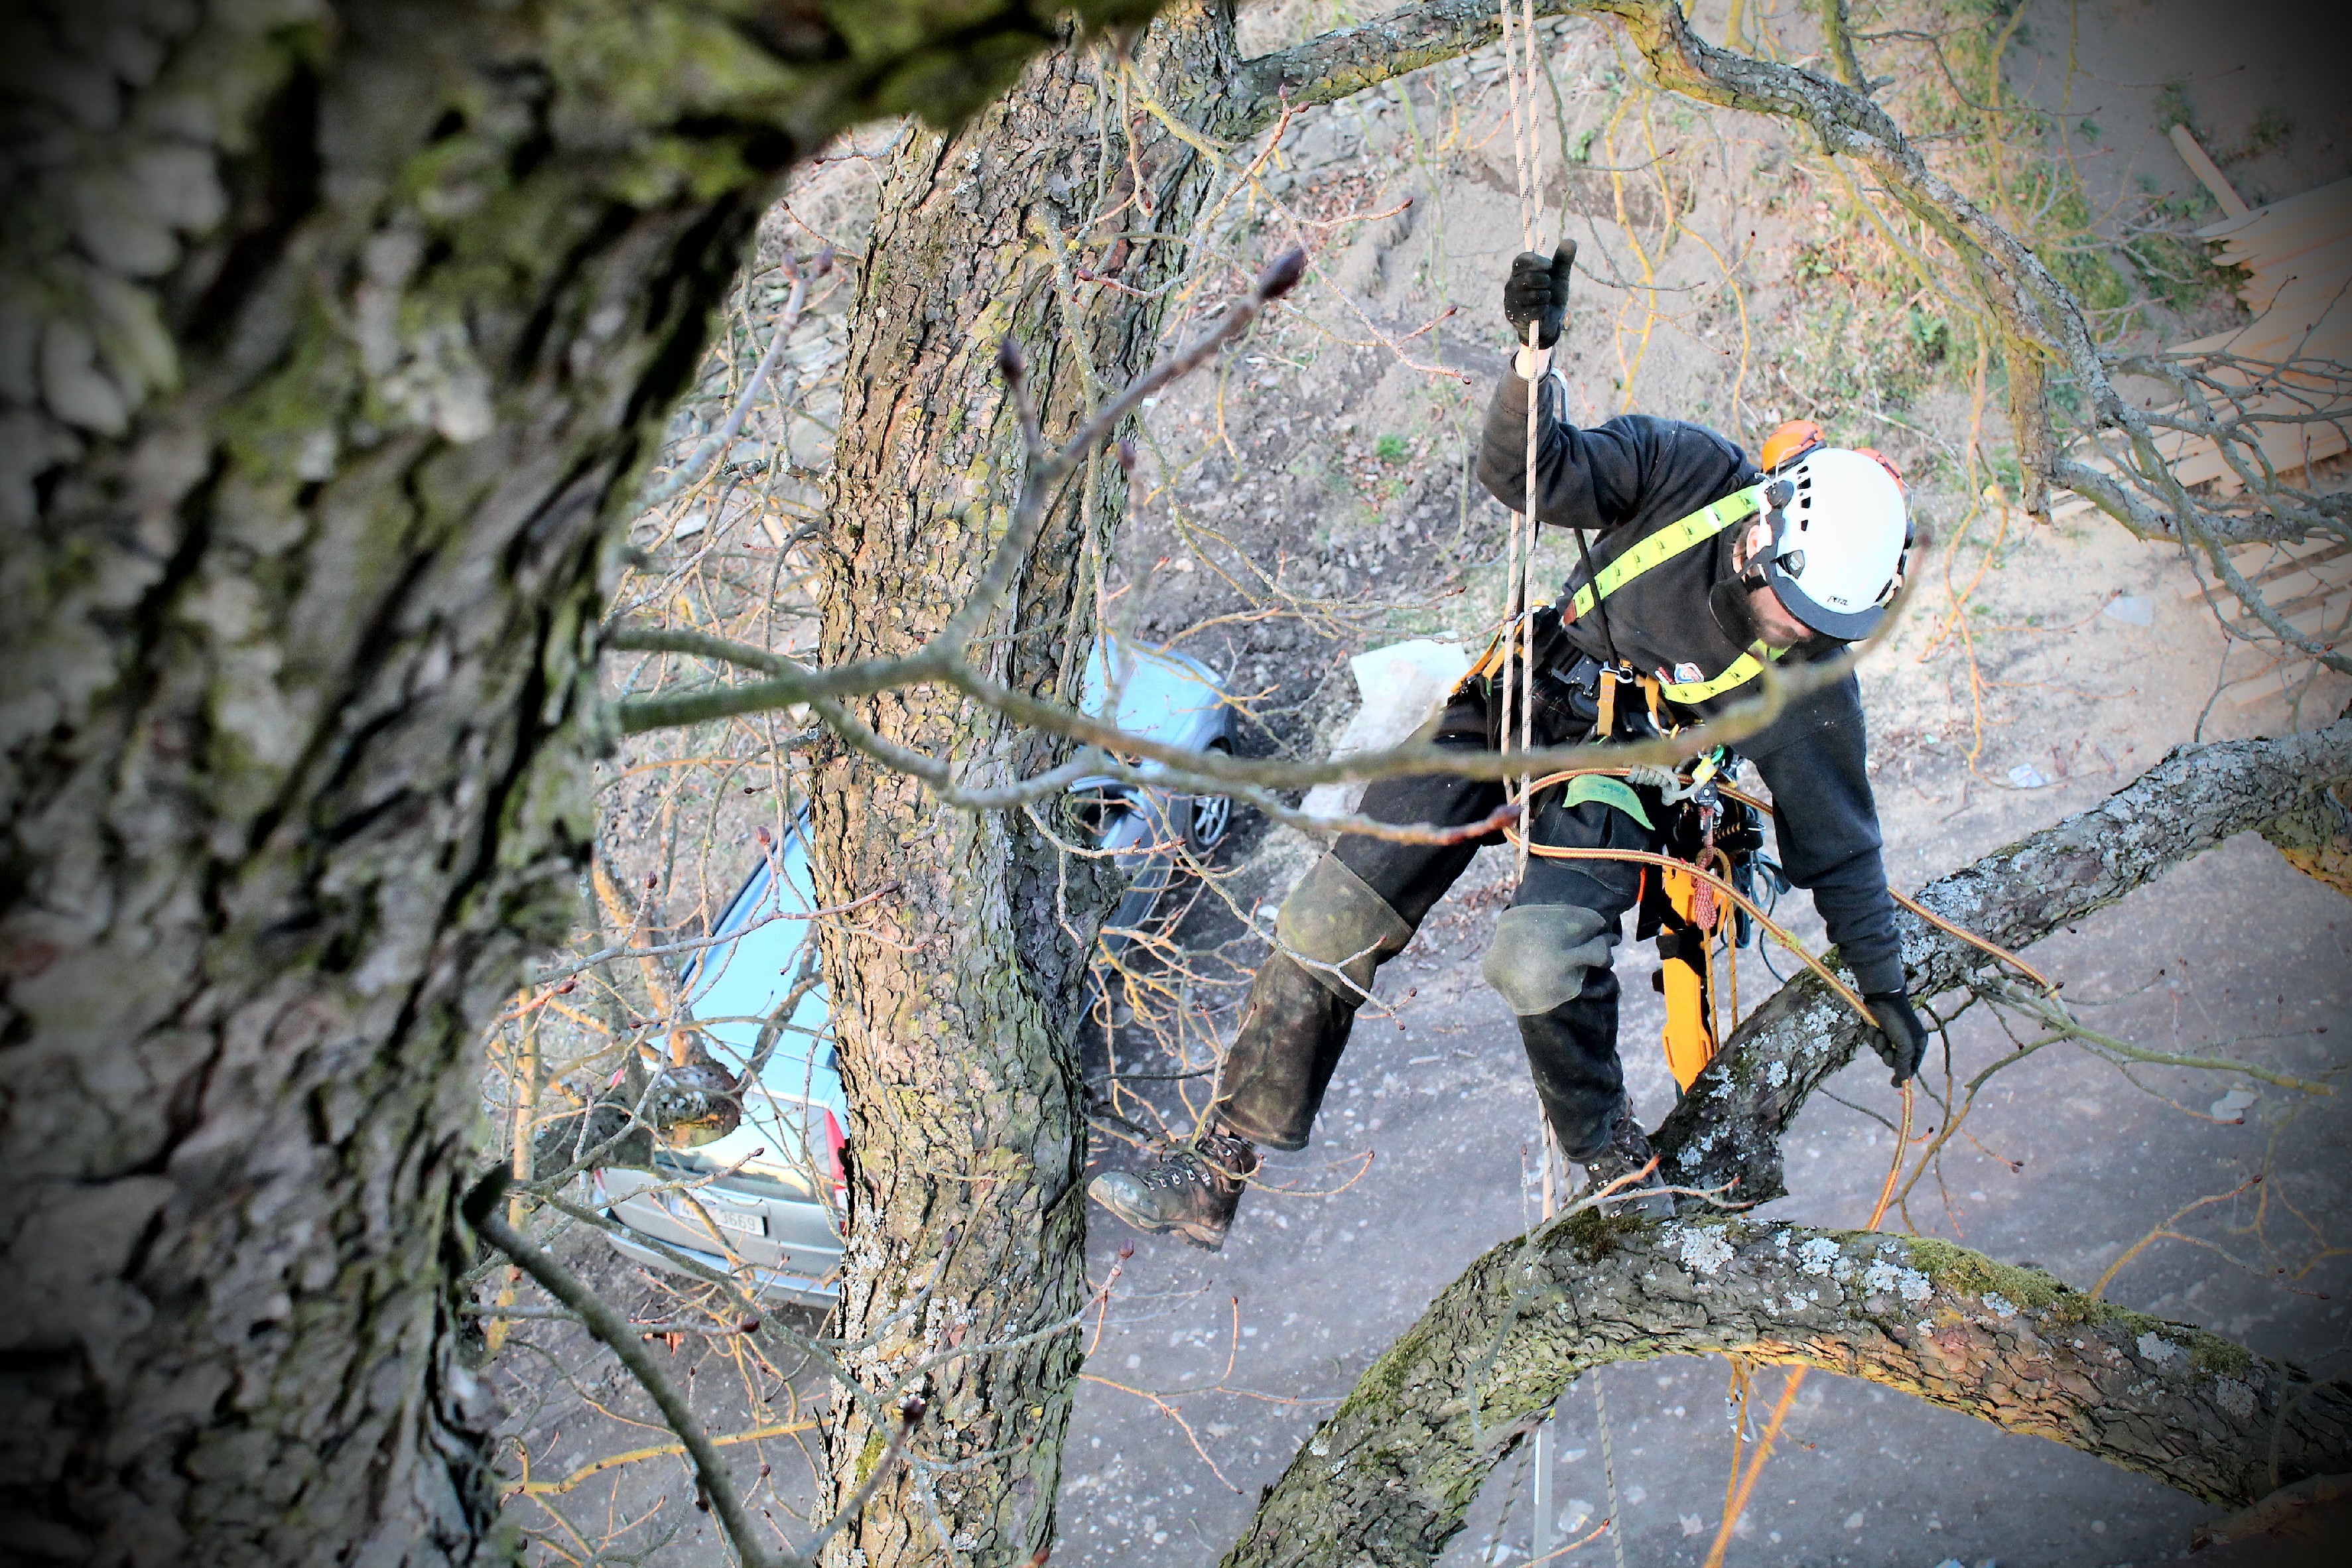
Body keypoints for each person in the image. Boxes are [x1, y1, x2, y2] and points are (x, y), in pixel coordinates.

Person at [1089, 243, 1933, 1250]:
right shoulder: (1688, 473)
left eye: (1817, 628)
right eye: (1789, 609)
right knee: (1326, 915)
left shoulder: (1809, 681)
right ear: (1763, 531)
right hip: (1518, 700)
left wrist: (1882, 982)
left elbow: (1840, 847)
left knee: (1536, 960)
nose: (1792, 634)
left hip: (1624, 773)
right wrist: (1531, 364)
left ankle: (1614, 1164)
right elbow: (1529, 472)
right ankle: (1218, 1166)